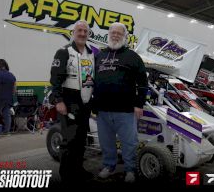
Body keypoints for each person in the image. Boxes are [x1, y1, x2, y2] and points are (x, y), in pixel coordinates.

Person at [93, 22, 148, 183]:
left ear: (125, 37)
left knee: (129, 143)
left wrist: (139, 104)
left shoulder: (133, 57)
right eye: (113, 33)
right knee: (106, 142)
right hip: (102, 110)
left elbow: (143, 82)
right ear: (108, 35)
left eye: (119, 33)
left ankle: (130, 169)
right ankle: (109, 166)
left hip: (125, 110)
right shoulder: (100, 56)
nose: (115, 35)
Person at [49, 20, 94, 184]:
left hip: (86, 101)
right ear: (73, 33)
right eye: (79, 30)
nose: (82, 33)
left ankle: (78, 169)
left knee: (82, 139)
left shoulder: (91, 53)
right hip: (69, 100)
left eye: (85, 31)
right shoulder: (64, 51)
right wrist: (58, 100)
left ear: (88, 34)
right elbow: (55, 79)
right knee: (69, 139)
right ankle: (66, 174)